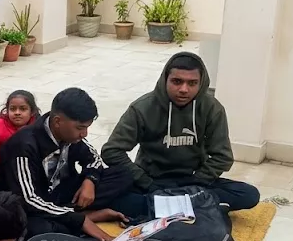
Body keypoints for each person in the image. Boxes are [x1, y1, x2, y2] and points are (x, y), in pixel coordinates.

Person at [102, 52, 260, 221]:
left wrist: (197, 181)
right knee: (106, 195)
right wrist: (146, 182)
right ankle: (198, 206)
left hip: (193, 181)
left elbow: (223, 156)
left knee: (249, 195)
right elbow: (112, 151)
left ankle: (163, 207)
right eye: (177, 82)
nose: (184, 89)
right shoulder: (142, 108)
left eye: (192, 83)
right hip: (150, 182)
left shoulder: (212, 108)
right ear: (165, 80)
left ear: (201, 83)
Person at [0, 88, 133, 241]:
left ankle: (71, 214)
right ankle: (82, 216)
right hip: (26, 205)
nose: (84, 134)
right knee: (41, 230)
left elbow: (94, 158)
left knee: (123, 174)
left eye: (86, 127)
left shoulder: (70, 136)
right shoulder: (23, 145)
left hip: (59, 195)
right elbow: (29, 200)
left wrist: (90, 180)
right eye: (80, 128)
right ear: (58, 121)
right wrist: (79, 220)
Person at [0, 90, 41, 173]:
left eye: (23, 109)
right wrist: (5, 168)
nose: (17, 113)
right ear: (7, 110)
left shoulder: (37, 127)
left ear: (32, 112)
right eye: (13, 109)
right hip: (3, 171)